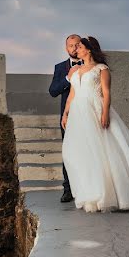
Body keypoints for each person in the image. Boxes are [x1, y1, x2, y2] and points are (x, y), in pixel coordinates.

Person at [61, 36, 129, 213]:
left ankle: (105, 196)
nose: (76, 50)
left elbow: (106, 93)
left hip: (94, 110)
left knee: (101, 151)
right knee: (77, 152)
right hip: (78, 115)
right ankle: (90, 193)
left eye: (79, 47)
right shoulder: (75, 71)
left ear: (88, 49)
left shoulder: (101, 69)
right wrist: (66, 113)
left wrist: (105, 113)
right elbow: (72, 94)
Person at [48, 34, 83, 203]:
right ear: (66, 48)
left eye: (77, 45)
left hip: (88, 114)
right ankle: (68, 189)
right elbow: (53, 91)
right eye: (71, 46)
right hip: (68, 117)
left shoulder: (91, 65)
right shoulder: (60, 67)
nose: (74, 49)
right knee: (68, 153)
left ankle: (86, 188)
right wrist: (68, 77)